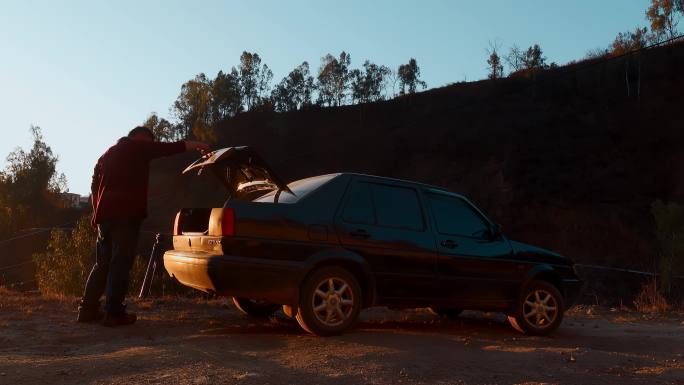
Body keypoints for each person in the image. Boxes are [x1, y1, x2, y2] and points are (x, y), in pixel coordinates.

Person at [77, 126, 209, 326]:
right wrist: (197, 145)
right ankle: (114, 313)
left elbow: (94, 186)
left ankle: (87, 310)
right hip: (126, 213)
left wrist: (97, 213)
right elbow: (168, 148)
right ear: (139, 138)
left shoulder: (107, 154)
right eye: (149, 141)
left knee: (102, 263)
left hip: (106, 216)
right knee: (120, 263)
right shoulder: (136, 147)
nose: (150, 146)